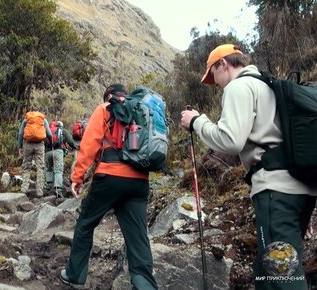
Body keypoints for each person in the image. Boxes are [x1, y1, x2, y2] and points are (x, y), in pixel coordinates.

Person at [180, 44, 316, 290]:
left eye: (213, 74)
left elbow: (231, 140)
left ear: (224, 64)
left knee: (282, 274)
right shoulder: (268, 85)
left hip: (276, 191)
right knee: (266, 273)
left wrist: (197, 122)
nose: (216, 82)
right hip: (300, 188)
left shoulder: (239, 87)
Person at [60, 84, 158, 289]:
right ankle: (145, 285)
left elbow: (89, 145)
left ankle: (74, 275)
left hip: (110, 176)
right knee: (138, 236)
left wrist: (77, 178)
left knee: (86, 222)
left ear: (109, 96)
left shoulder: (105, 108)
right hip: (139, 182)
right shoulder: (140, 111)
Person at [17, 107, 52, 197]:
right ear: (39, 111)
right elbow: (49, 133)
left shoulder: (26, 119)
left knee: (26, 166)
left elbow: (20, 134)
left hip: (28, 144)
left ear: (31, 111)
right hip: (39, 145)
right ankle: (39, 191)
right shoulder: (43, 120)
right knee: (40, 167)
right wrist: (50, 142)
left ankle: (24, 189)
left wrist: (20, 146)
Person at [44, 121, 78, 198]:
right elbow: (70, 141)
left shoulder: (46, 130)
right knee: (58, 170)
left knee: (48, 169)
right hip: (58, 152)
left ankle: (48, 186)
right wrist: (76, 147)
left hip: (47, 152)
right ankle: (58, 189)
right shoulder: (62, 131)